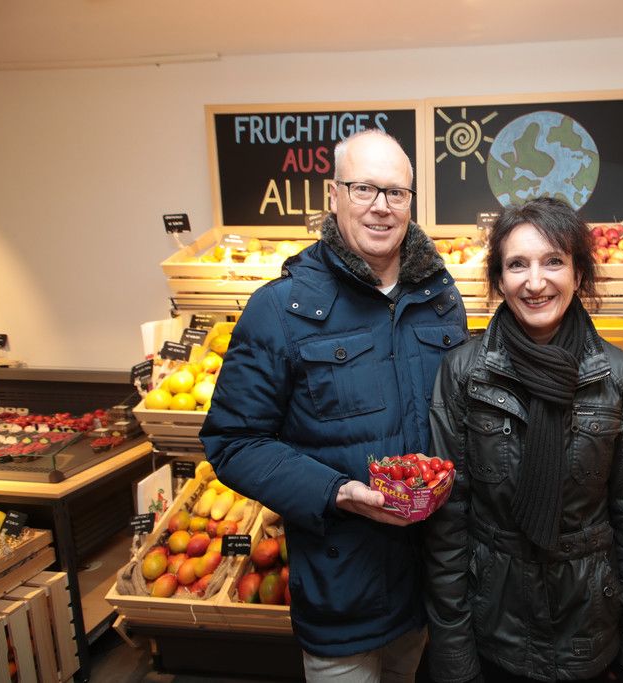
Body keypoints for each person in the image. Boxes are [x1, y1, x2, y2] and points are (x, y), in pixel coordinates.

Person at [200, 129, 468, 682]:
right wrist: (337, 492)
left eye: (396, 192)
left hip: (428, 584)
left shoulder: (440, 298)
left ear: (411, 201)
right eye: (364, 188)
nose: (381, 206)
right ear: (335, 194)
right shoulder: (281, 308)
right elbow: (233, 441)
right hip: (341, 590)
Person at [423, 196, 623, 682]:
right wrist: (455, 658)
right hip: (494, 628)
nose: (535, 282)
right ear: (499, 279)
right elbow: (448, 527)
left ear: (579, 273)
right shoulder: (464, 373)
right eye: (517, 265)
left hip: (588, 629)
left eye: (553, 261)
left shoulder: (617, 377)